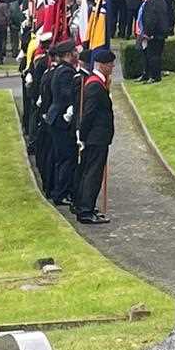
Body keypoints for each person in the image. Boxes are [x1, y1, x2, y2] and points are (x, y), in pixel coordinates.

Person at [73, 47, 116, 224]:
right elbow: (88, 113)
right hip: (95, 137)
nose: (113, 67)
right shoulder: (95, 86)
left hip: (96, 137)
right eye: (111, 65)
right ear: (103, 66)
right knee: (93, 174)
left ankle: (86, 206)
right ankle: (85, 210)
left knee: (90, 172)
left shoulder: (97, 83)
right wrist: (82, 136)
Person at [43, 40, 81, 204]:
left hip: (56, 118)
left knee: (64, 157)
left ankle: (63, 190)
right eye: (74, 51)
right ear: (68, 54)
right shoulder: (66, 72)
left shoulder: (62, 70)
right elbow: (67, 95)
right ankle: (61, 193)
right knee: (66, 158)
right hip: (60, 120)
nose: (76, 54)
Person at [137, 0, 170, 83]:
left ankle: (155, 76)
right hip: (161, 33)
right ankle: (151, 75)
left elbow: (150, 19)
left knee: (153, 55)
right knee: (156, 55)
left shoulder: (151, 1)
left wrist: (148, 33)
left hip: (154, 34)